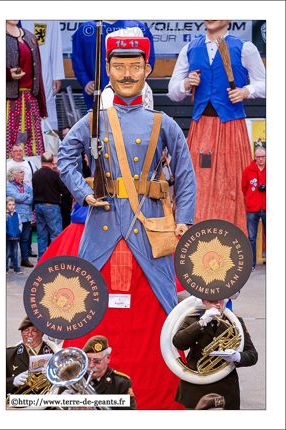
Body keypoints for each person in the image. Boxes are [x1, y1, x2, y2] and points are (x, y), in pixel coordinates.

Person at [56, 30, 196, 410]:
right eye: (119, 66)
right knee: (81, 305)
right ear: (108, 69)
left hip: (149, 227)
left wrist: (183, 220)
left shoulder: (164, 122)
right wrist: (83, 192)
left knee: (164, 307)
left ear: (148, 69)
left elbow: (185, 174)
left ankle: (166, 392)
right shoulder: (93, 121)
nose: (128, 74)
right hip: (102, 225)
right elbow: (65, 160)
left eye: (136, 66)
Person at [168, 20, 266, 234]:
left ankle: (234, 242)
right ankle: (193, 239)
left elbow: (265, 84)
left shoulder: (244, 48)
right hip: (201, 128)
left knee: (231, 184)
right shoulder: (190, 48)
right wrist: (185, 84)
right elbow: (173, 91)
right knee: (197, 183)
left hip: (231, 127)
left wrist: (245, 91)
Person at [172, 298, 258, 410]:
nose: (218, 303)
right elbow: (179, 343)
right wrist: (201, 322)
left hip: (224, 387)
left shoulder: (235, 321)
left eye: (221, 299)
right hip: (196, 387)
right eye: (212, 300)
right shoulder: (192, 319)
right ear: (203, 301)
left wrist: (237, 356)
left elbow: (252, 355)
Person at [71, 20, 155, 110]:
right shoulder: (86, 30)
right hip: (97, 94)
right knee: (101, 121)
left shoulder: (138, 28)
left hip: (133, 97)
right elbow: (77, 59)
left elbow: (148, 60)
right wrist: (86, 81)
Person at [6, 20, 47, 159]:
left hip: (30, 101)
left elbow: (38, 73)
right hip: (7, 103)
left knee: (30, 144)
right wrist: (8, 74)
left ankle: (28, 176)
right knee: (9, 142)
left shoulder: (30, 37)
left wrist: (42, 107)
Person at [20, 20, 65, 133]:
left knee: (45, 110)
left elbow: (55, 43)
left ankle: (47, 147)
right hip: (16, 73)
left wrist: (57, 74)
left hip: (43, 73)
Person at [32, 152, 71, 260]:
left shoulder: (36, 174)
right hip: (51, 206)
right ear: (53, 162)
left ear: (41, 160)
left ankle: (41, 260)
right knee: (55, 235)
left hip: (38, 206)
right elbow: (65, 190)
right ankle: (55, 259)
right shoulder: (54, 174)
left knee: (41, 235)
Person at [80, 336, 136, 409]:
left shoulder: (121, 383)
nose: (91, 365)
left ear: (108, 358)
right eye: (87, 360)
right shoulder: (74, 378)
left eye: (97, 361)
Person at [6, 316, 56, 395]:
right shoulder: (8, 354)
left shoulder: (55, 354)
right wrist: (13, 381)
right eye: (26, 331)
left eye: (34, 331)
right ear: (21, 334)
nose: (30, 335)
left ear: (42, 333)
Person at [7, 143, 38, 258]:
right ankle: (12, 256)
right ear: (12, 153)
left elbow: (34, 183)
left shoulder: (30, 164)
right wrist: (24, 196)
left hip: (27, 203)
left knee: (27, 230)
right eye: (16, 151)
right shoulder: (7, 165)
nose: (18, 153)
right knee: (13, 231)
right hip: (13, 203)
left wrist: (27, 196)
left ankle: (27, 251)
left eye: (20, 150)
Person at [242, 146, 266, 271]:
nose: (261, 159)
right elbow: (244, 188)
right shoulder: (248, 171)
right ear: (255, 157)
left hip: (267, 206)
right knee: (251, 237)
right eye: (258, 157)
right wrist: (253, 198)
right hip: (253, 208)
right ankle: (252, 264)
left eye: (263, 157)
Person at [6, 167, 34, 268]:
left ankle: (25, 259)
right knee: (13, 240)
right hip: (15, 218)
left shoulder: (26, 186)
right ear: (14, 175)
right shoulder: (8, 187)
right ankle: (13, 261)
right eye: (21, 172)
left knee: (25, 239)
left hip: (26, 217)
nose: (23, 173)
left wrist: (22, 197)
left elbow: (30, 199)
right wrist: (25, 196)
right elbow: (16, 197)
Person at [52, 154, 73, 230]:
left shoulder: (67, 175)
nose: (54, 166)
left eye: (56, 164)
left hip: (66, 208)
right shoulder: (49, 176)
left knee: (66, 228)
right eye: (53, 164)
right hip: (53, 208)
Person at [6, 196, 23, 275]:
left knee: (15, 253)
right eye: (9, 204)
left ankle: (16, 268)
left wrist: (19, 231)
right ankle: (6, 269)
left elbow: (20, 224)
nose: (11, 206)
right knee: (7, 253)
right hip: (7, 238)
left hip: (15, 238)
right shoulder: (5, 215)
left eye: (13, 204)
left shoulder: (17, 214)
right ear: (6, 205)